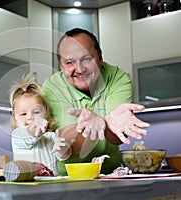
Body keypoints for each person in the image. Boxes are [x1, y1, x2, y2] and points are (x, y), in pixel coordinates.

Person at [42, 28, 150, 175]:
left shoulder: (117, 78)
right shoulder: (52, 87)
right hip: (69, 177)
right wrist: (96, 124)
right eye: (69, 62)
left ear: (100, 59)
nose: (79, 69)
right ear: (61, 67)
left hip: (112, 174)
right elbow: (73, 147)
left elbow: (116, 138)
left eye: (87, 59)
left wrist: (103, 124)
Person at [9, 74, 72, 176]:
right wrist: (35, 128)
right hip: (27, 185)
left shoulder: (51, 136)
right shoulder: (17, 135)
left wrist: (62, 148)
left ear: (46, 115)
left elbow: (64, 156)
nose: (30, 117)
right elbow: (30, 133)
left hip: (51, 185)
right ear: (15, 120)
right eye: (23, 114)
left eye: (37, 112)